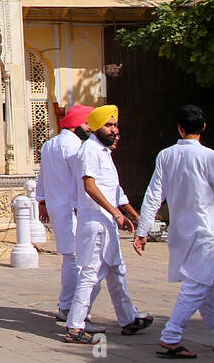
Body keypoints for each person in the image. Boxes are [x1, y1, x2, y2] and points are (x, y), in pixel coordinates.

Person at [135, 105, 214, 359]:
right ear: (203, 127)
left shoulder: (165, 156)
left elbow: (153, 195)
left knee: (206, 286)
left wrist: (143, 229)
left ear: (180, 128)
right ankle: (171, 336)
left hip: (181, 234)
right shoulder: (209, 157)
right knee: (197, 285)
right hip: (205, 232)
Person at [63, 106, 153, 344]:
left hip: (107, 222)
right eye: (109, 126)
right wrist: (116, 214)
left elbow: (115, 191)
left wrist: (135, 216)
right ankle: (74, 326)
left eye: (115, 125)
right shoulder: (89, 151)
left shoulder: (104, 152)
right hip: (96, 223)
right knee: (90, 273)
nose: (114, 130)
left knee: (116, 271)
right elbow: (90, 186)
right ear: (95, 127)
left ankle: (128, 319)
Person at [36, 104, 94, 321]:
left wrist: (42, 200)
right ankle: (68, 305)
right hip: (72, 209)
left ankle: (69, 304)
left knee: (73, 257)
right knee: (75, 259)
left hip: (58, 206)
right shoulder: (74, 147)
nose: (89, 129)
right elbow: (81, 180)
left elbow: (42, 175)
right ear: (76, 124)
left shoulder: (50, 145)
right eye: (86, 124)